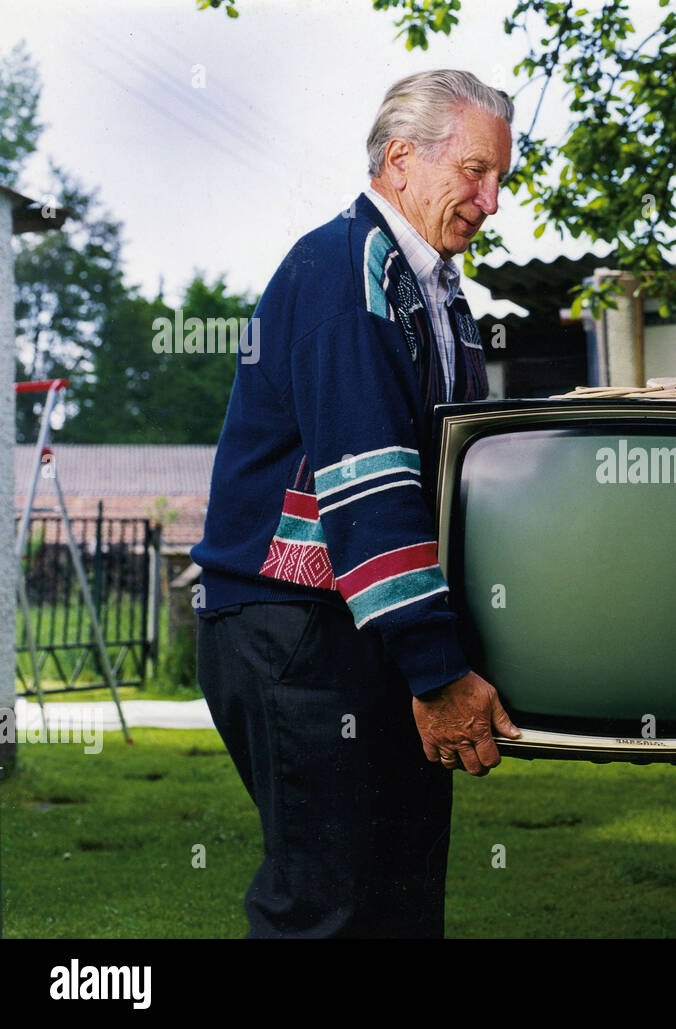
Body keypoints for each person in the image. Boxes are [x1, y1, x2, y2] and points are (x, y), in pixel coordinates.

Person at [192, 70, 520, 938]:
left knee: (397, 905)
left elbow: (457, 478)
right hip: (293, 628)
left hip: (361, 627)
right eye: (476, 172)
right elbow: (370, 482)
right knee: (325, 910)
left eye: (500, 179)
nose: (491, 202)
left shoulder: (435, 288)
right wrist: (438, 670)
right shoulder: (347, 269)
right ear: (402, 158)